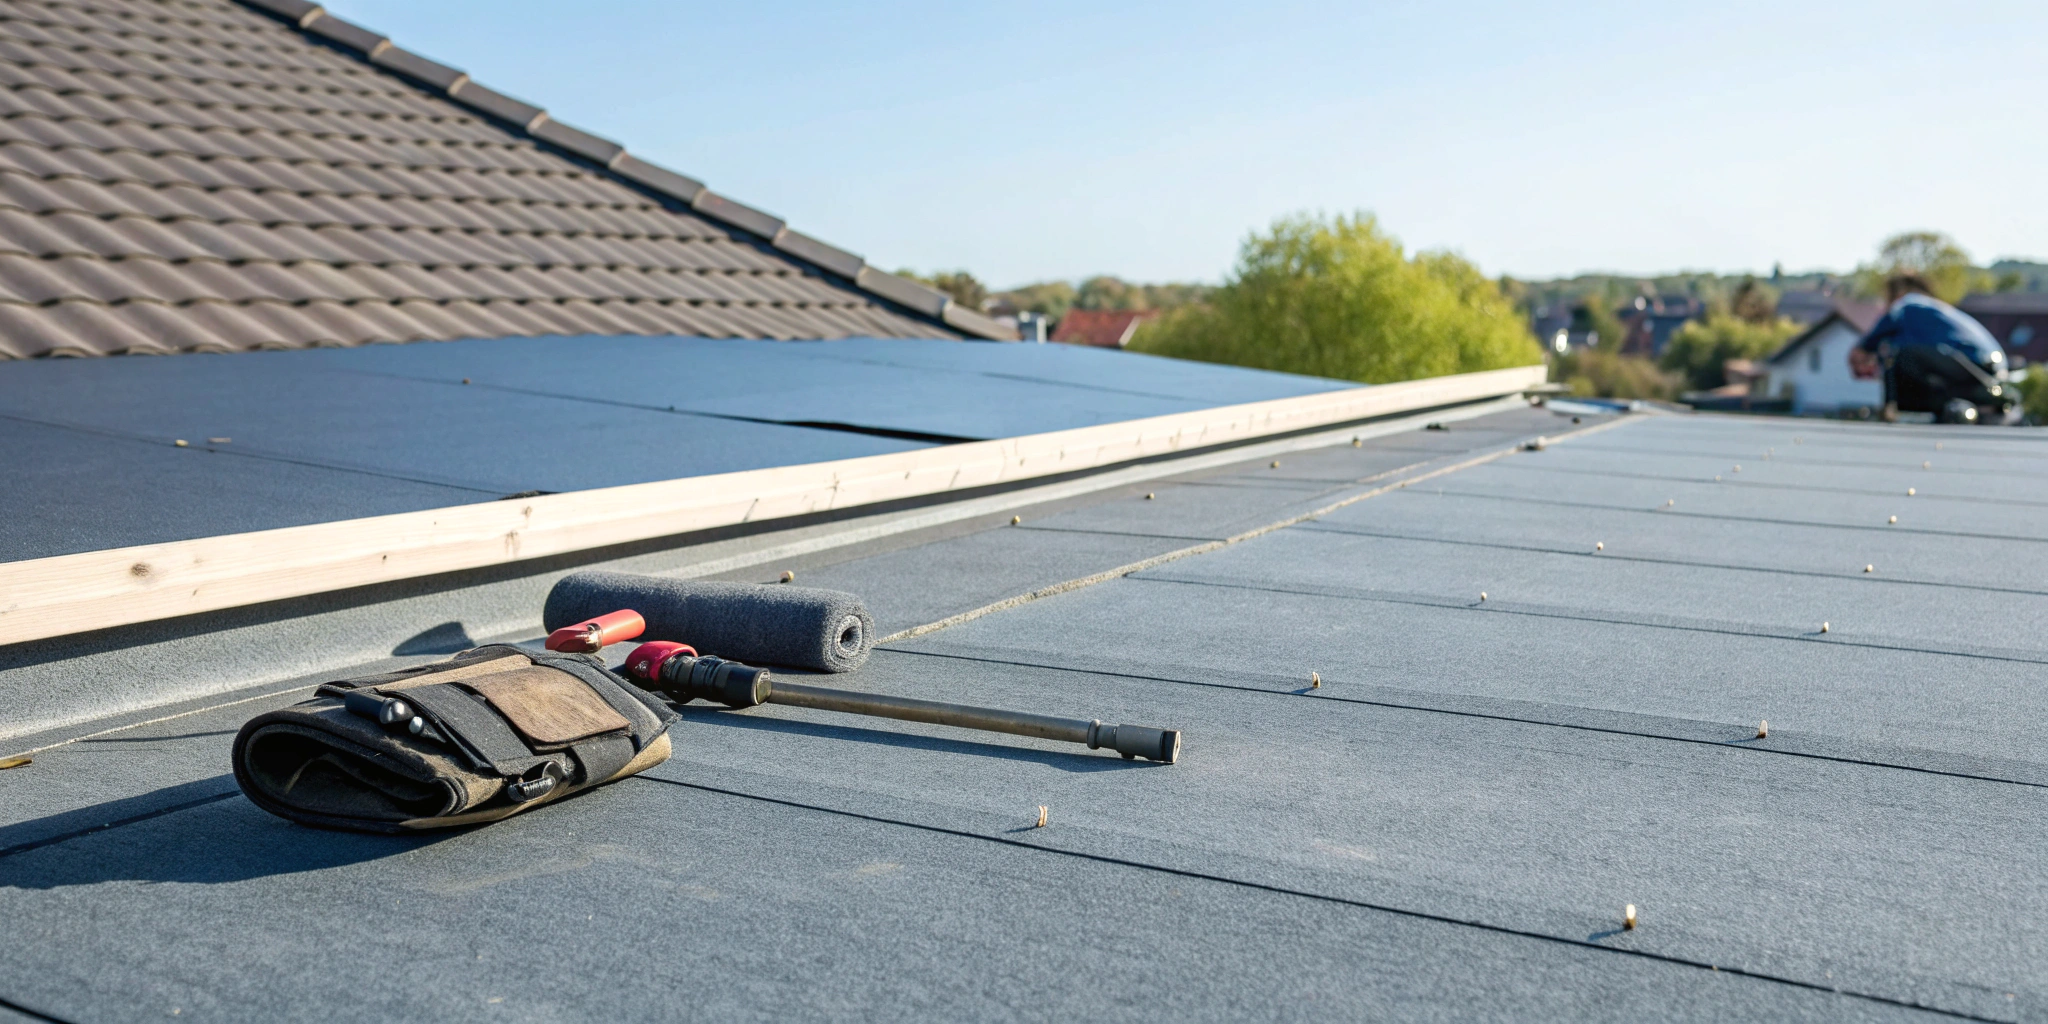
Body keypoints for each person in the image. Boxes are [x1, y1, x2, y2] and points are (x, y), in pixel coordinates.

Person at [1848, 274, 2008, 422]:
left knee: (1901, 354)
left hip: (1973, 365)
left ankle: (1905, 411)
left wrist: (1862, 348)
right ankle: (1948, 405)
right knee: (1903, 351)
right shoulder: (1931, 309)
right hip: (1988, 368)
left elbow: (1887, 325)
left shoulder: (1908, 303)